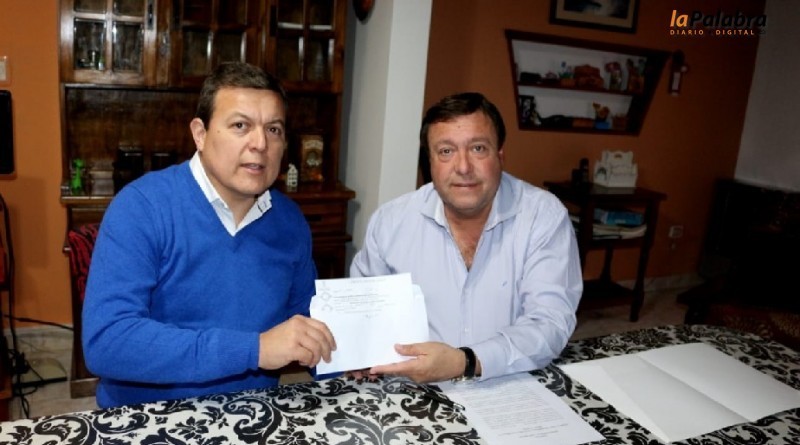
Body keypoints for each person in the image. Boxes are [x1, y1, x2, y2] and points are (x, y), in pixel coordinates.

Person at [82, 62, 336, 408]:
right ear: (200, 134)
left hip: (253, 414)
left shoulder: (290, 221)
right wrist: (255, 350)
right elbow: (108, 342)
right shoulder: (141, 207)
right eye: (240, 125)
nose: (260, 143)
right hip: (148, 418)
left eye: (274, 129)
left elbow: (307, 324)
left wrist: (353, 360)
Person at [350, 92, 582, 383]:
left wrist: (466, 361)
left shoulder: (543, 216)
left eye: (478, 148)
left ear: (500, 156)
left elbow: (550, 323)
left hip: (510, 384)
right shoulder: (390, 222)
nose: (463, 167)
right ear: (430, 162)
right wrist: (359, 348)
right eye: (446, 151)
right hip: (412, 389)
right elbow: (363, 313)